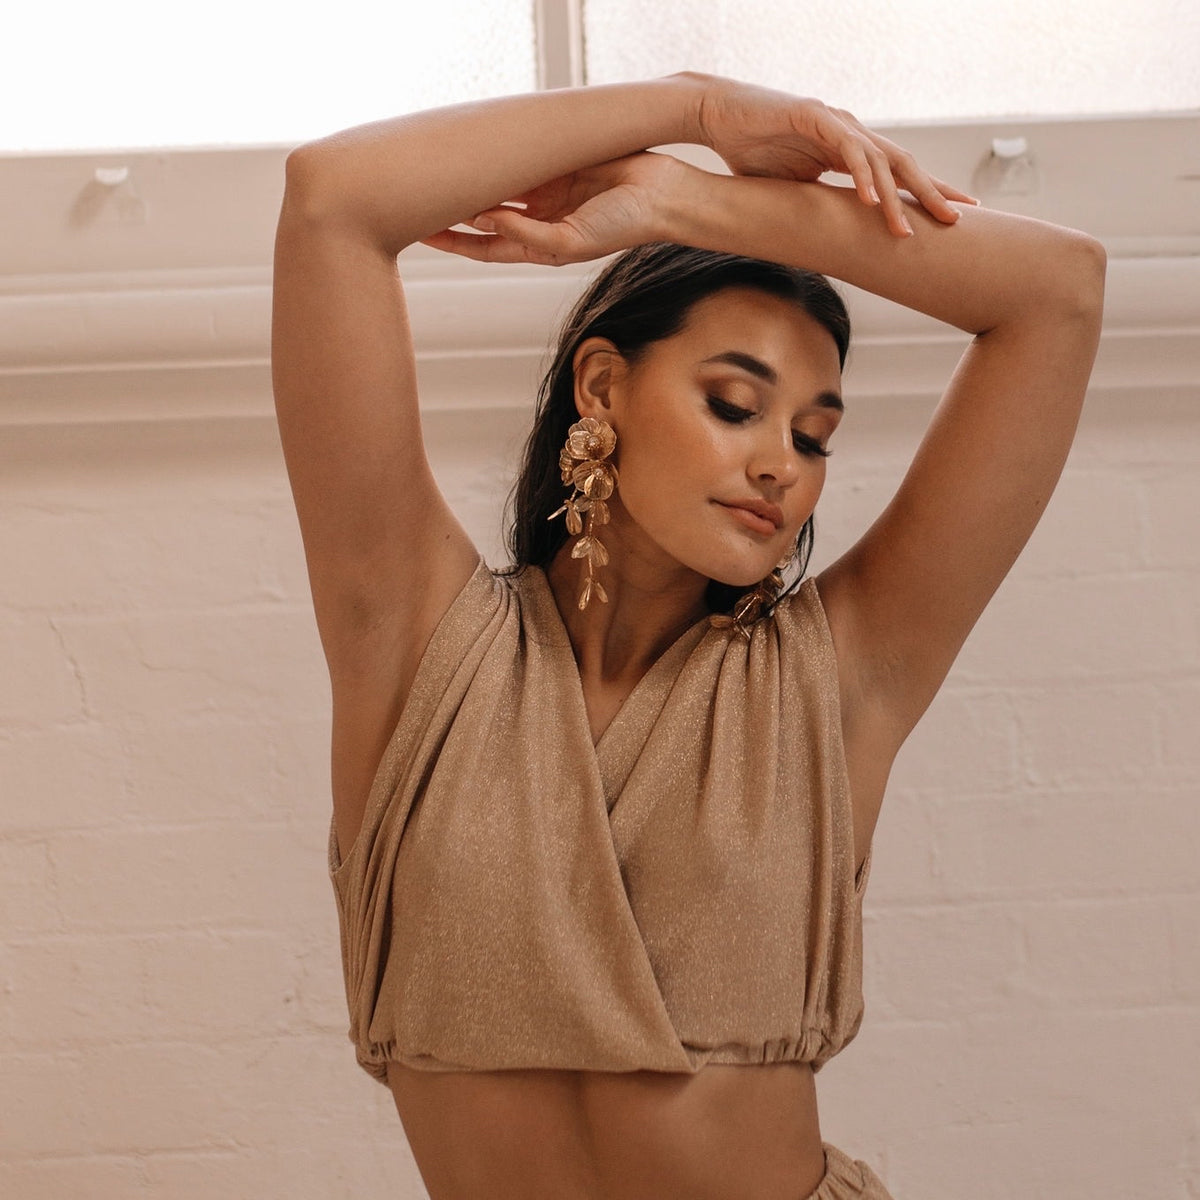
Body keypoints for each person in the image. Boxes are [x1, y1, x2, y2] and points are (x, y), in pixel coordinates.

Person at [271, 72, 1104, 1200]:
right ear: (603, 385)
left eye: (814, 437)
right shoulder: (419, 645)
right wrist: (697, 110)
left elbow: (1058, 289)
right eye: (733, 403)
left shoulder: (834, 683)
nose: (780, 463)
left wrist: (687, 204)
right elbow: (333, 200)